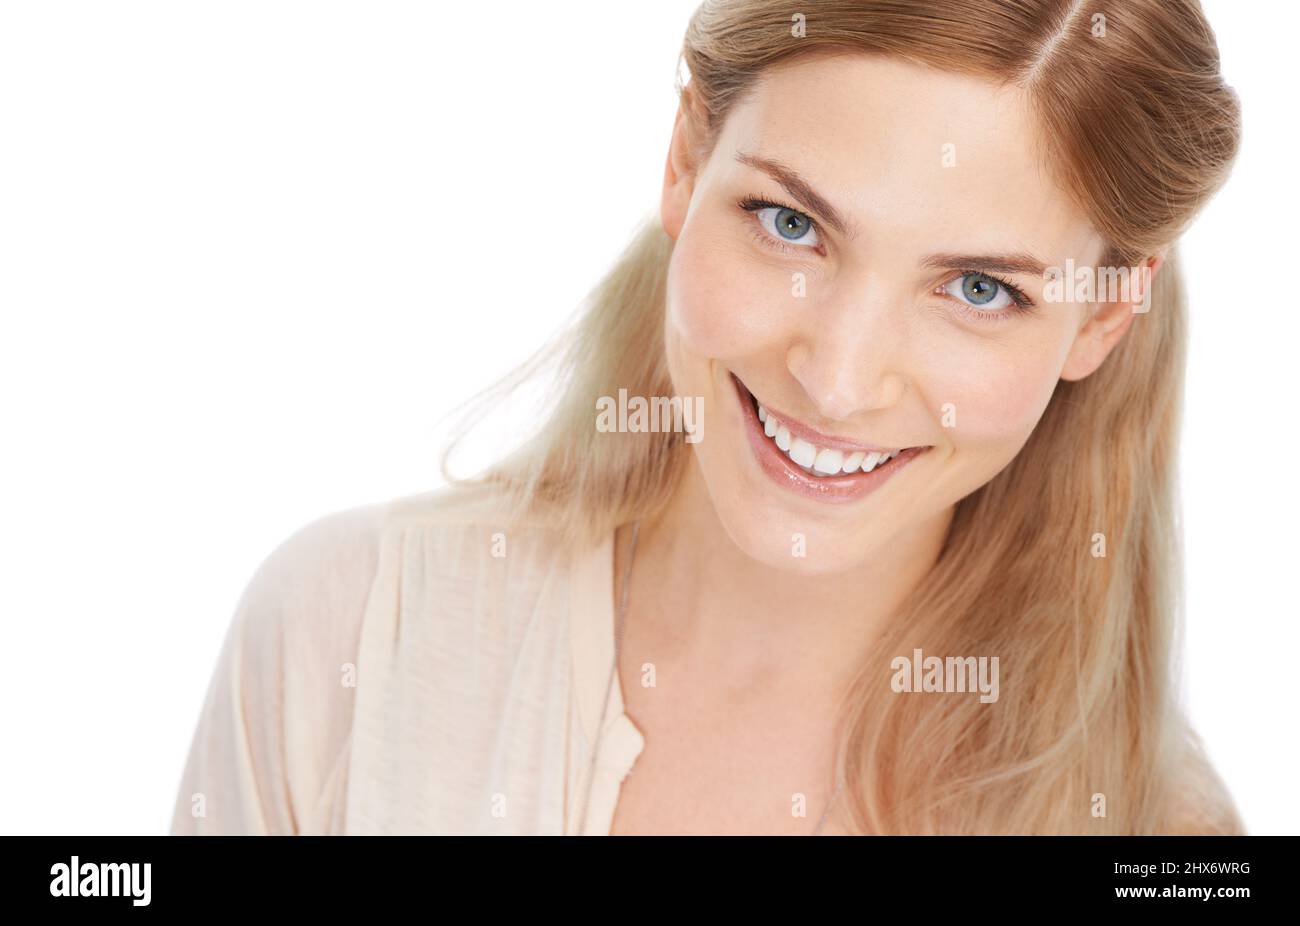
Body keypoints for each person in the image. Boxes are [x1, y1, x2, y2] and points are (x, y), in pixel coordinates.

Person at [171, 0, 1244, 835]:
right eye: (790, 224)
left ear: (1104, 315)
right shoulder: (353, 631)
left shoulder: (1157, 830)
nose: (836, 378)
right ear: (685, 158)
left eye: (976, 288)